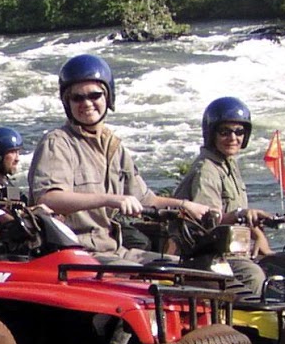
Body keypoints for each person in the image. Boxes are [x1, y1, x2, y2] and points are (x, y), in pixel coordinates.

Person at [26, 53, 198, 262]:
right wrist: (112, 200)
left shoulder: (114, 146)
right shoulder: (57, 143)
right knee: (149, 284)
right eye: (77, 98)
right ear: (67, 103)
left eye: (94, 95)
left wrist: (185, 206)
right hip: (78, 253)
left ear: (108, 97)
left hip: (114, 248)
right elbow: (49, 199)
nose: (87, 103)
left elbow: (146, 199)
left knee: (185, 269)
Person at [172, 96, 272, 296]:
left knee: (281, 267)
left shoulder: (228, 164)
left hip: (233, 247)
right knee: (253, 276)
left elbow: (237, 214)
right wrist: (241, 214)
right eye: (225, 132)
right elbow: (207, 221)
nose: (233, 138)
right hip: (208, 254)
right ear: (212, 134)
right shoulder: (207, 170)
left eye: (239, 131)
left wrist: (258, 234)